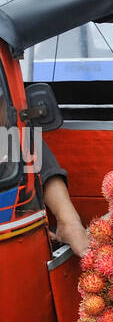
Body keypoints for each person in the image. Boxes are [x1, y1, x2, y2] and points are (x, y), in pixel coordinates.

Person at [0, 94, 89, 257]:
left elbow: (38, 167)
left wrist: (68, 221)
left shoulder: (12, 136)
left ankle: (68, 224)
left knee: (22, 134)